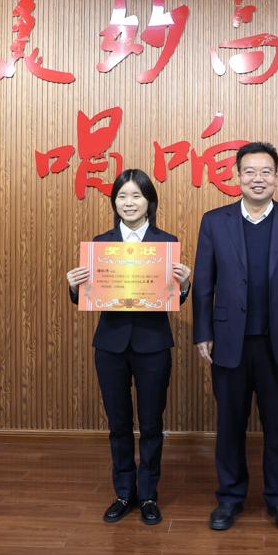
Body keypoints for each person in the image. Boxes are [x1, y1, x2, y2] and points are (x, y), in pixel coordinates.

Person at [192, 141, 278, 533]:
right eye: (249, 171)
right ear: (237, 176)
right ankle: (229, 498)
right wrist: (203, 332)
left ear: (277, 177)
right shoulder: (215, 221)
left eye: (265, 171)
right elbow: (204, 284)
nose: (257, 178)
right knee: (230, 425)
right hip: (229, 340)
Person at [66, 168, 191, 526]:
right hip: (110, 345)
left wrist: (184, 285)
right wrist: (74, 286)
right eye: (122, 196)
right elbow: (88, 296)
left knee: (151, 424)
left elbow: (173, 298)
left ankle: (148, 494)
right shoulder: (100, 245)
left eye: (137, 196)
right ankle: (124, 492)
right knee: (119, 424)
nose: (129, 202)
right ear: (114, 202)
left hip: (153, 345)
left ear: (150, 202)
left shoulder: (166, 243)